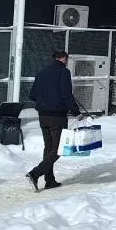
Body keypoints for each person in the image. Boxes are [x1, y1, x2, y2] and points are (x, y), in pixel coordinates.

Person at [26, 51, 81, 191]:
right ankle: (35, 173)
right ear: (64, 58)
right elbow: (66, 94)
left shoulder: (41, 72)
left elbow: (32, 94)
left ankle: (50, 180)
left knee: (49, 148)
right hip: (57, 116)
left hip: (43, 116)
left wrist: (45, 101)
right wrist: (76, 111)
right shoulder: (64, 72)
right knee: (59, 149)